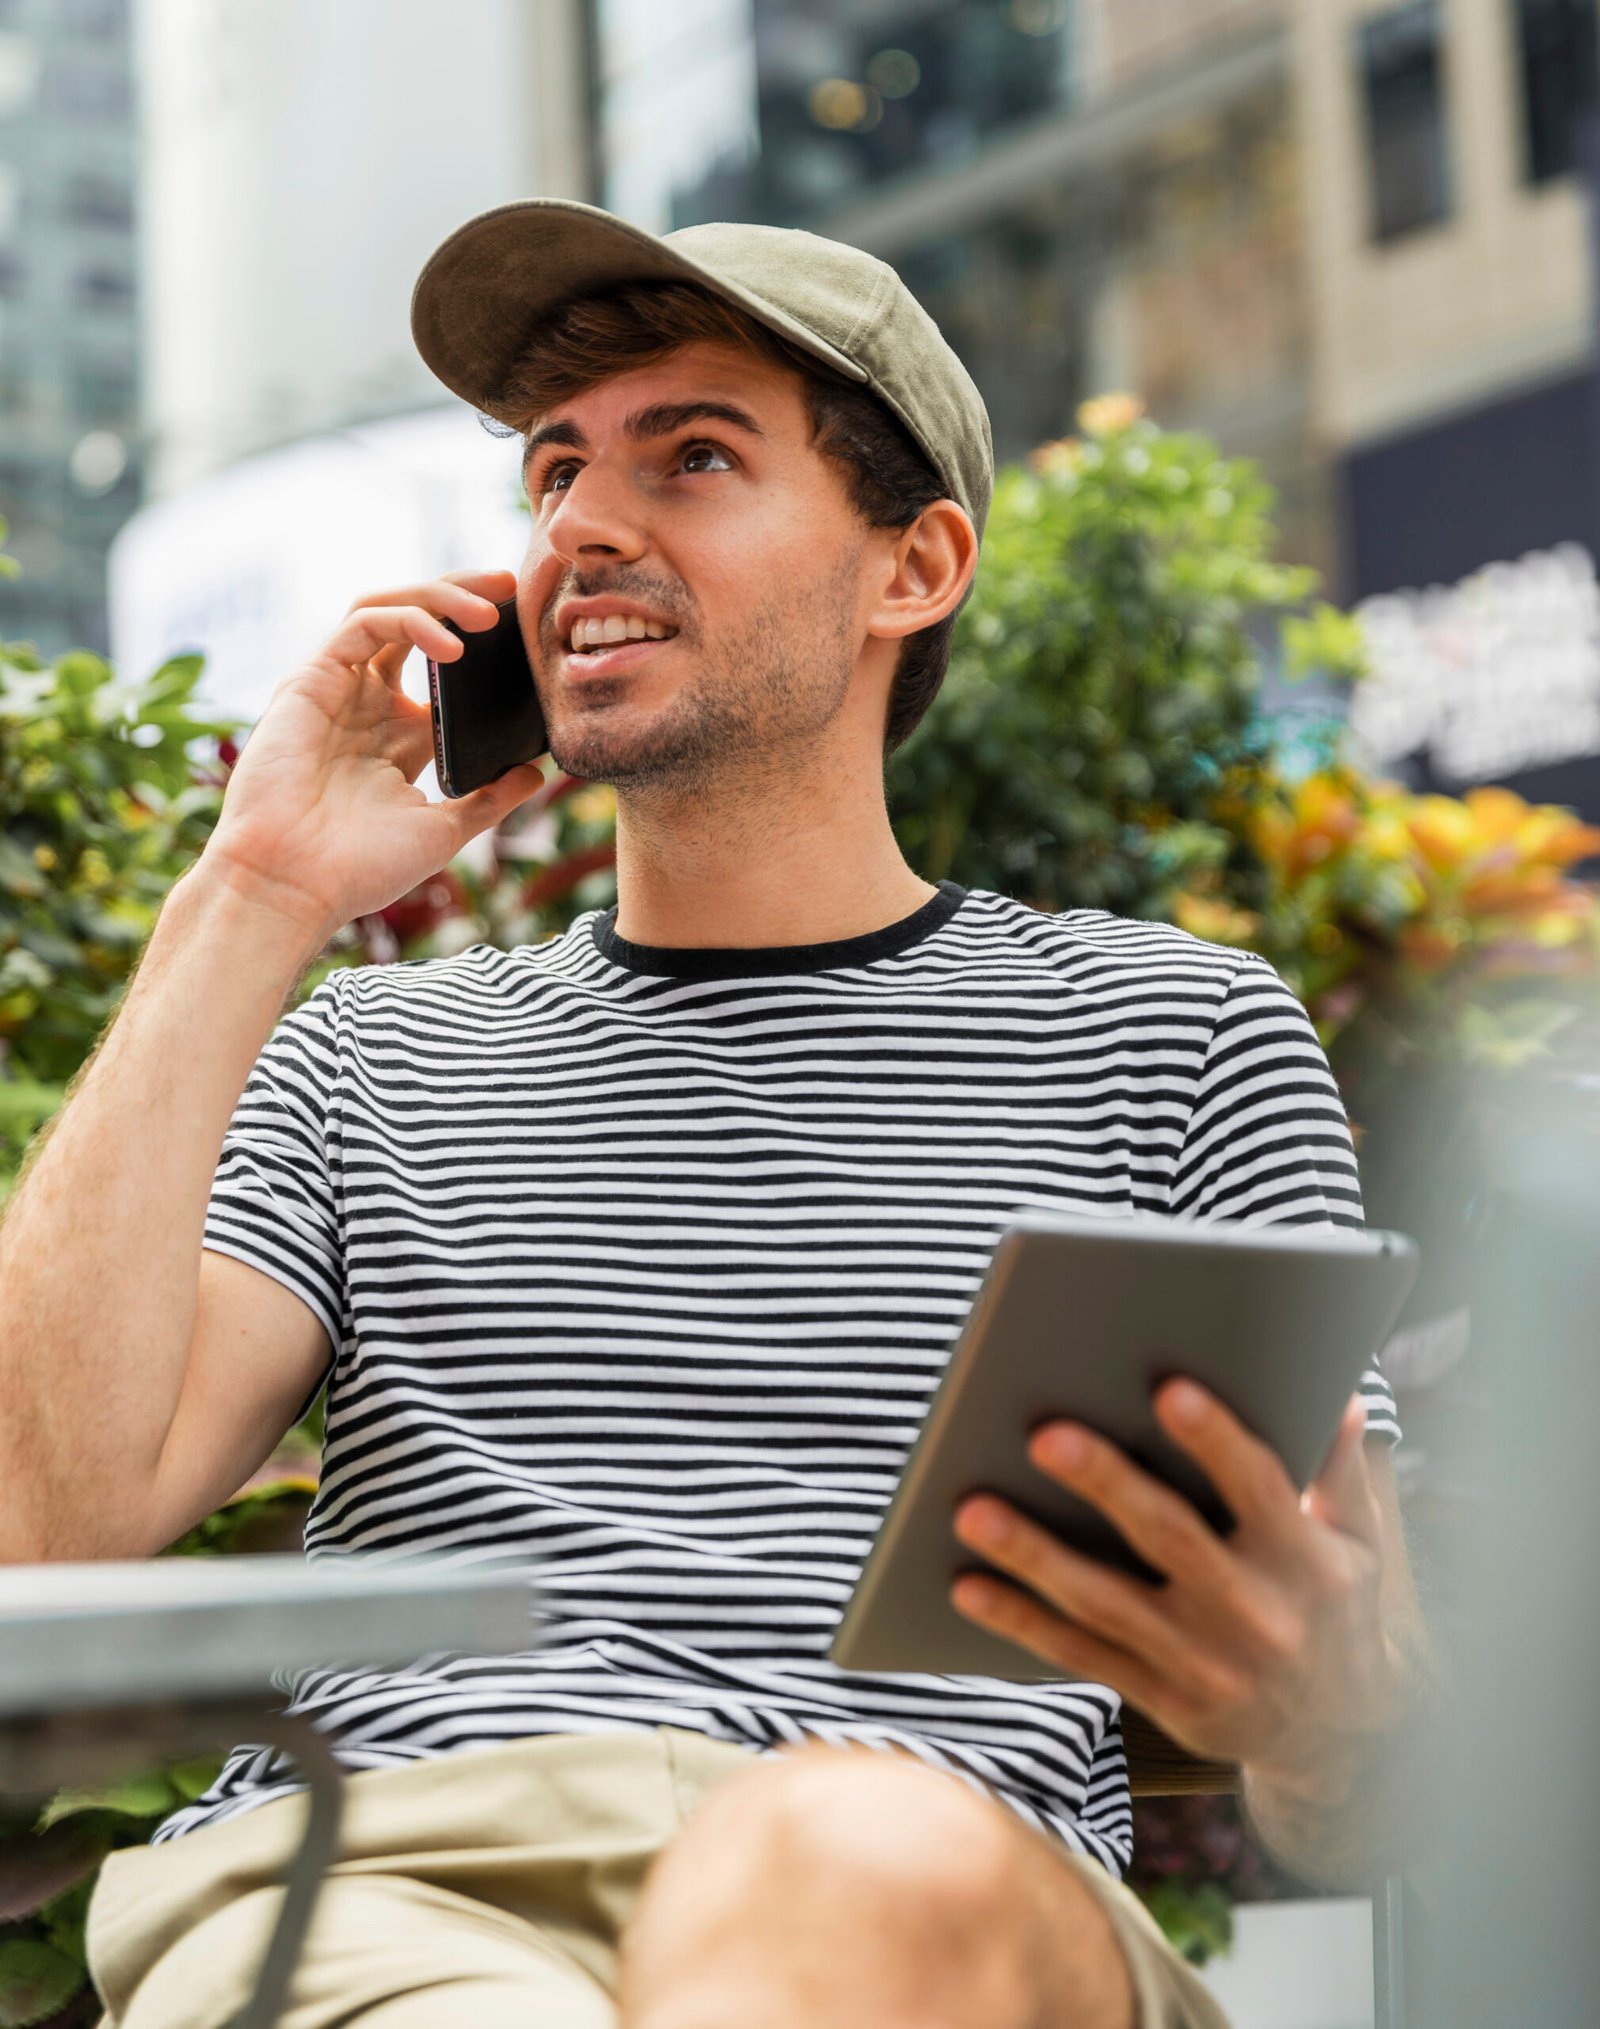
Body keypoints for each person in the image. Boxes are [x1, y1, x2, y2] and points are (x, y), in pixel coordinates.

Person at [1, 200, 1442, 2029]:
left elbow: (1369, 1749)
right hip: (395, 1879)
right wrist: (256, 891)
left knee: (838, 1867)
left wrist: (1320, 1717)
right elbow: (32, 1544)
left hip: (930, 1884)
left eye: (694, 456)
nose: (581, 527)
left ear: (912, 566)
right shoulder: (368, 1055)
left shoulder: (1171, 1037)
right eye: (554, 473)